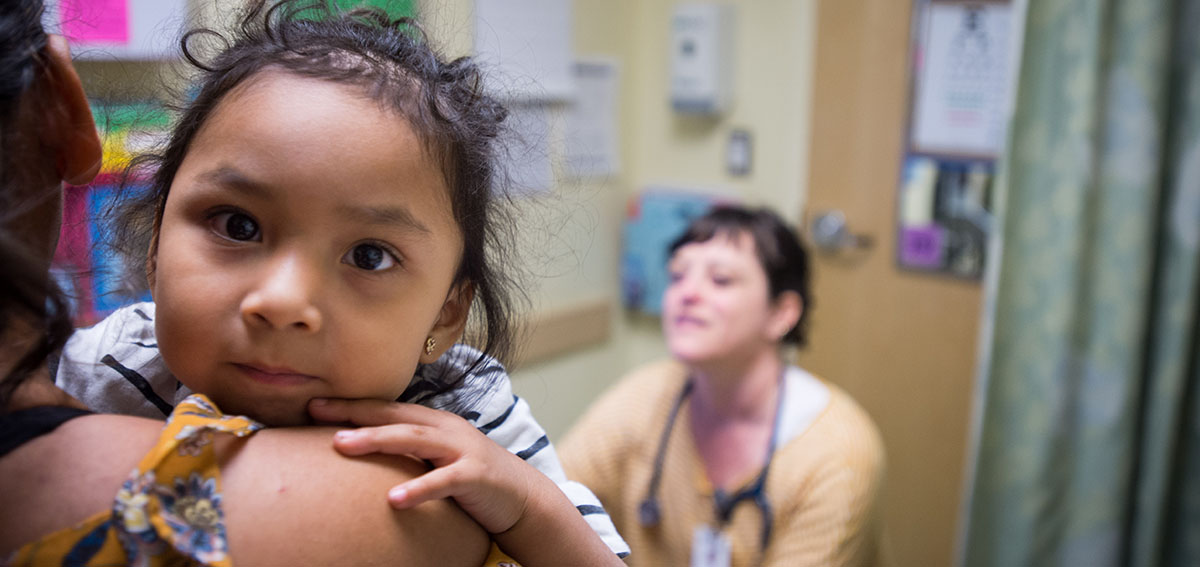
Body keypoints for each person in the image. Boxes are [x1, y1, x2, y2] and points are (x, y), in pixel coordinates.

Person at [0, 1, 622, 565]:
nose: (282, 302)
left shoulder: (468, 416)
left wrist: (525, 508)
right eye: (237, 226)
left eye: (369, 256)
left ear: (444, 316)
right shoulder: (98, 367)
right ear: (156, 244)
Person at [559, 205, 886, 566]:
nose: (688, 293)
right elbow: (549, 497)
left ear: (782, 313)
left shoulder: (835, 454)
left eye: (721, 280)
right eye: (678, 276)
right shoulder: (646, 396)